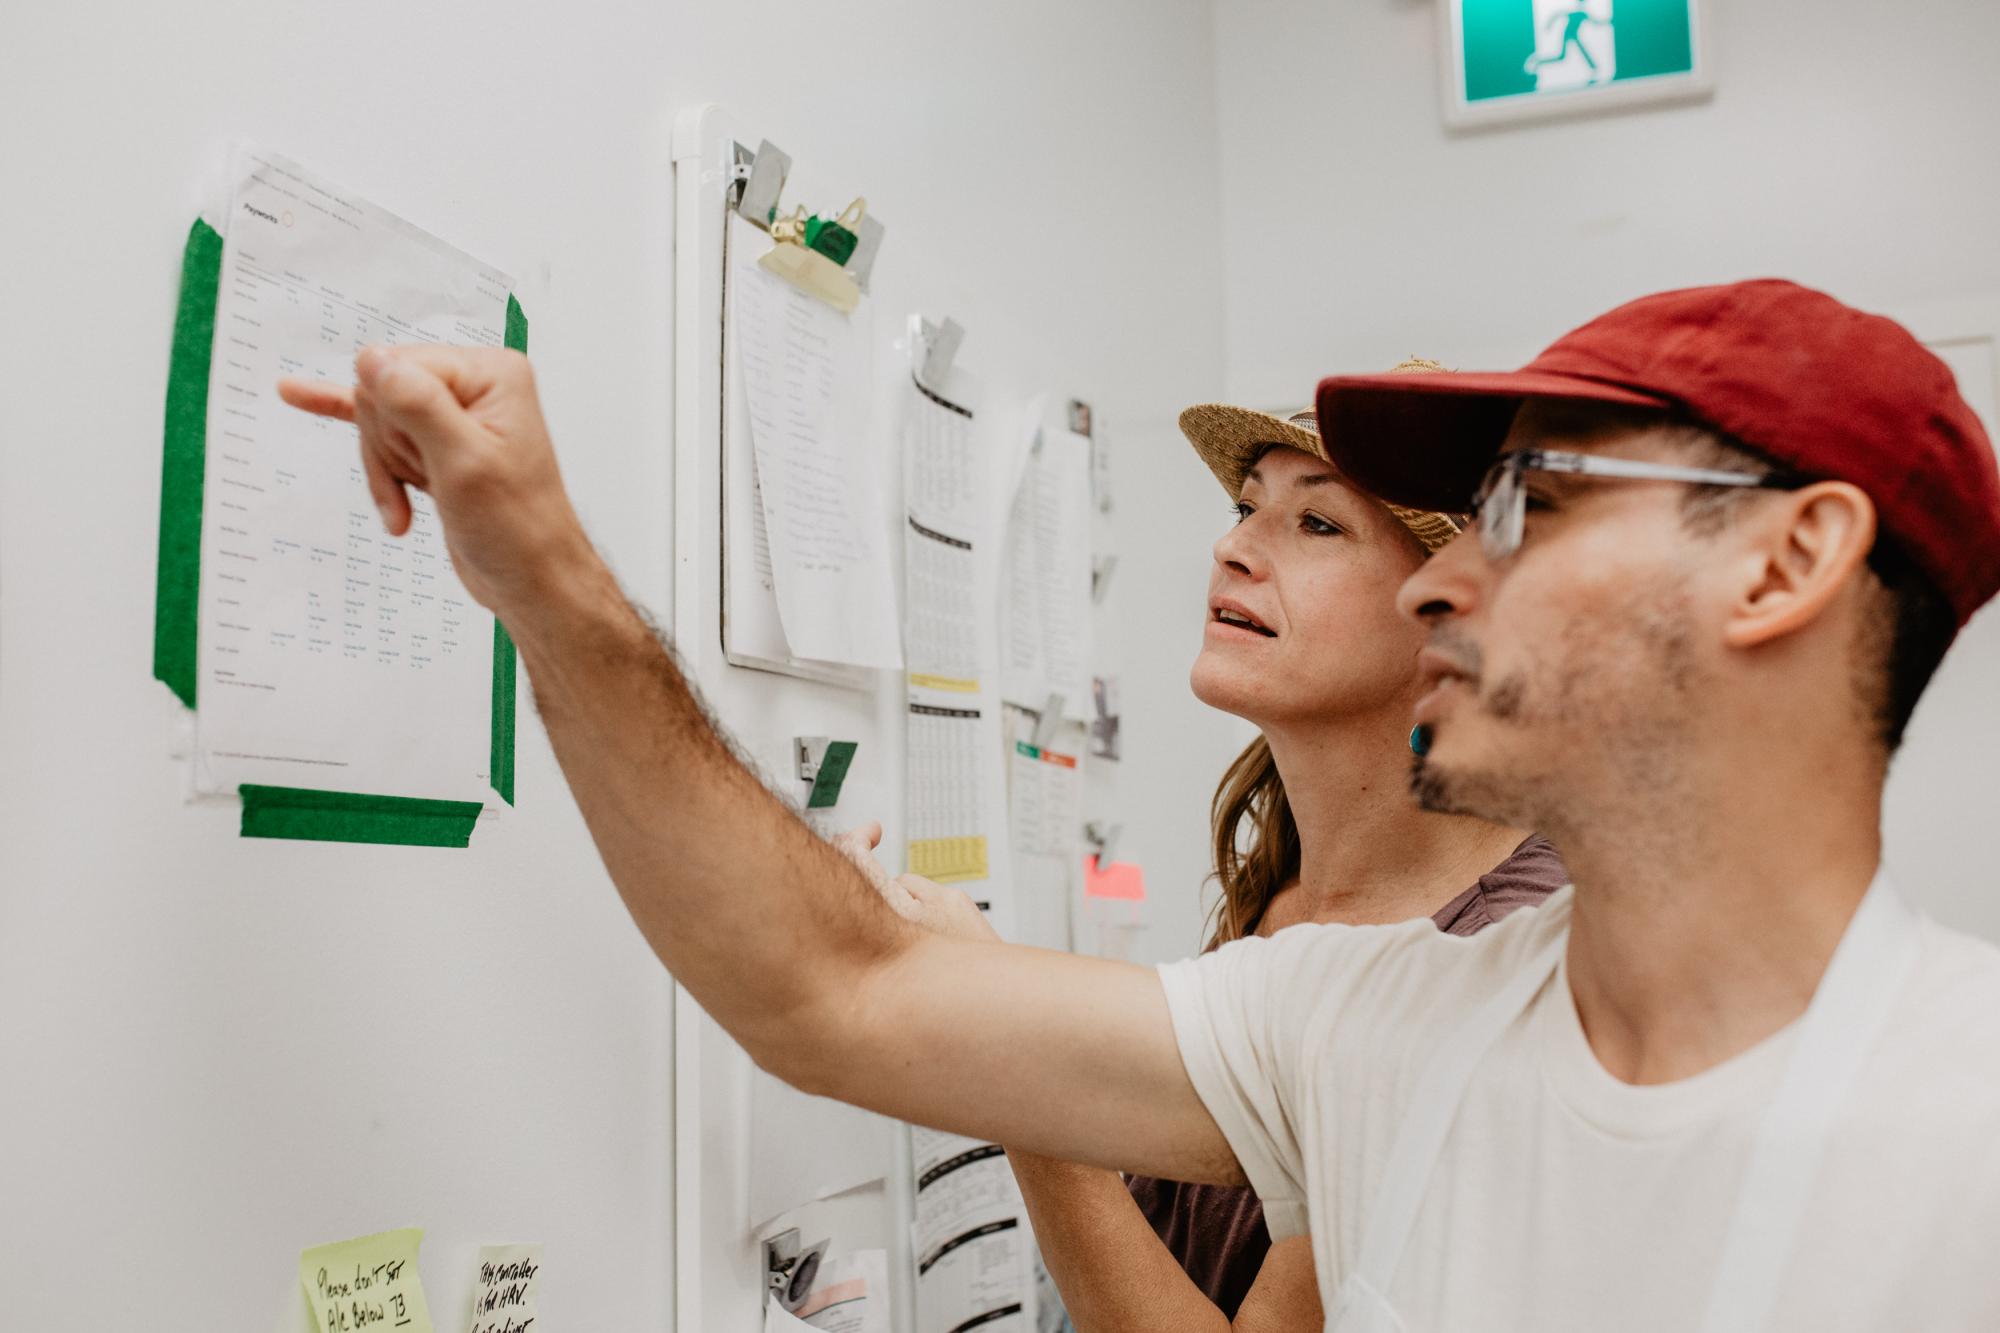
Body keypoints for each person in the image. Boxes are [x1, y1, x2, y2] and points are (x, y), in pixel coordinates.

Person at [280, 276, 2000, 1329]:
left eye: (1530, 506)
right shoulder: (1373, 1018)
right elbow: (834, 989)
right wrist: (550, 582)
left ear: (1786, 559)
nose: (1433, 586)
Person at [841, 380, 1563, 1332]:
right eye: (1245, 507)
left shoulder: (1493, 957)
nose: (1234, 547)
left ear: (1446, 610)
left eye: (1316, 523)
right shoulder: (1285, 885)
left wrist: (1000, 1054)